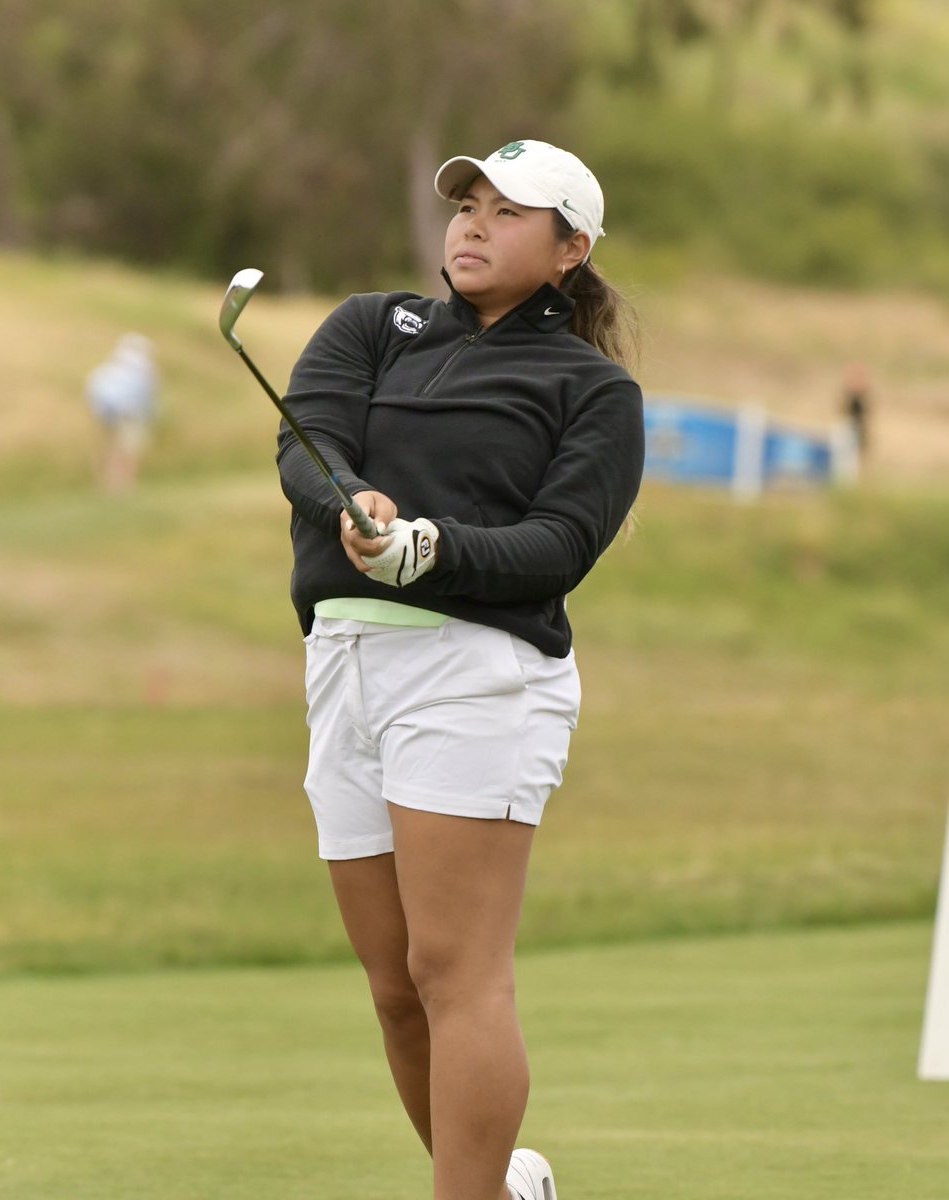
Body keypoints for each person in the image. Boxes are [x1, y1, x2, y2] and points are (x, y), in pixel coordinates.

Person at [275, 139, 645, 1200]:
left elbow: (559, 544)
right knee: (394, 987)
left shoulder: (594, 391)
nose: (474, 222)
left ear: (570, 250)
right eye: (468, 202)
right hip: (344, 656)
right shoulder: (371, 326)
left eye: (509, 211)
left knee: (455, 974)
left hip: (477, 672)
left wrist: (433, 548)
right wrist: (355, 501)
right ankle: (498, 1185)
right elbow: (309, 445)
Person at [85, 332, 158, 492]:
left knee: (112, 448)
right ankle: (122, 485)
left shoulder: (109, 368)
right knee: (127, 450)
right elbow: (147, 395)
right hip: (128, 414)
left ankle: (109, 484)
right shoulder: (142, 368)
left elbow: (93, 389)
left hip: (105, 412)